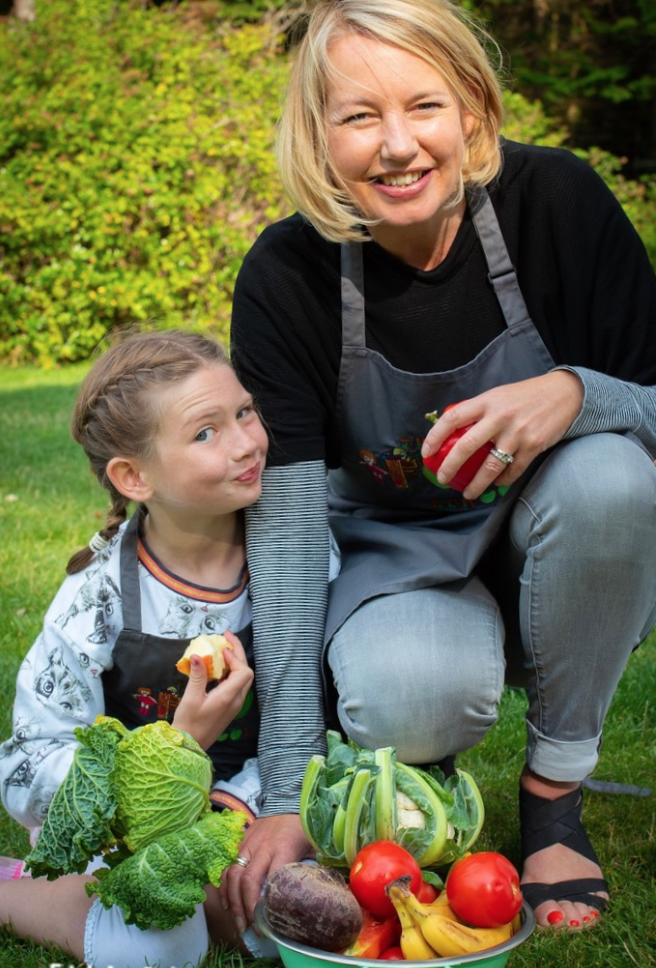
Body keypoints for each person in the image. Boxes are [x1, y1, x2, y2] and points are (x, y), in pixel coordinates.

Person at [229, 0, 656, 936]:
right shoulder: (288, 275)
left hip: (566, 529)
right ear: (317, 133)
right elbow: (293, 538)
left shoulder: (560, 206)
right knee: (406, 696)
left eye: (423, 105)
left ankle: (553, 799)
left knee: (616, 478)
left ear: (472, 106)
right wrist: (290, 790)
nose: (396, 146)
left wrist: (581, 394)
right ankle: (421, 763)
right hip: (399, 552)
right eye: (357, 117)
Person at [0, 329, 276, 967]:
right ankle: (20, 890)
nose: (246, 443)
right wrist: (179, 750)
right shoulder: (96, 599)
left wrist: (248, 799)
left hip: (242, 808)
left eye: (244, 412)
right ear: (134, 476)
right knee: (156, 951)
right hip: (121, 828)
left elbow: (316, 713)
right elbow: (26, 764)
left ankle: (217, 904)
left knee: (281, 925)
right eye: (206, 433)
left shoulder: (296, 562)